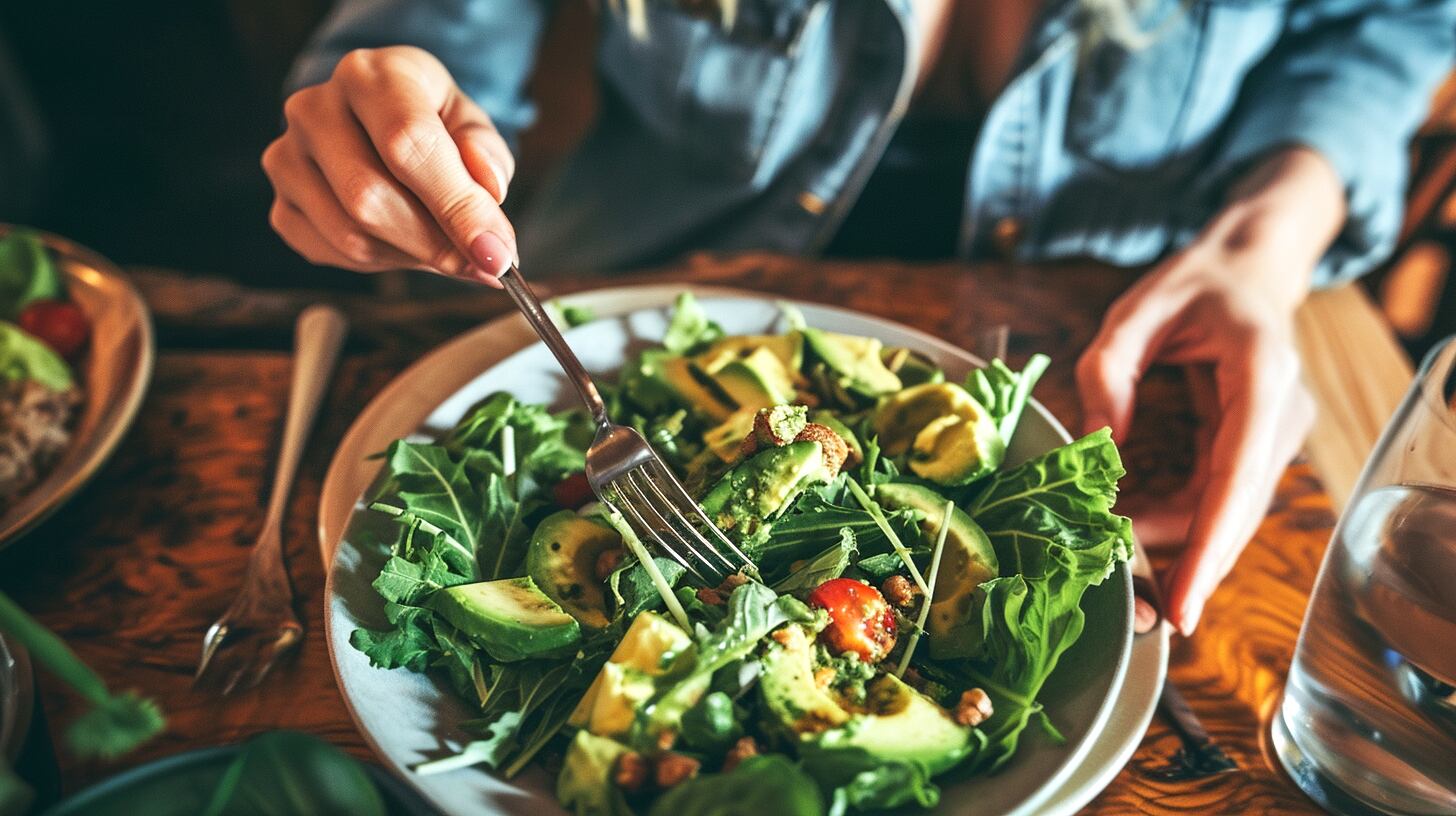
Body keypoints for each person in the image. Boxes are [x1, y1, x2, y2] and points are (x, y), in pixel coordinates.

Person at [263, 0, 1456, 635]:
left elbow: (1389, 20)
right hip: (611, 291)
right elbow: (429, 33)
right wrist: (391, 107)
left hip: (1112, 351)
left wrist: (1274, 230)